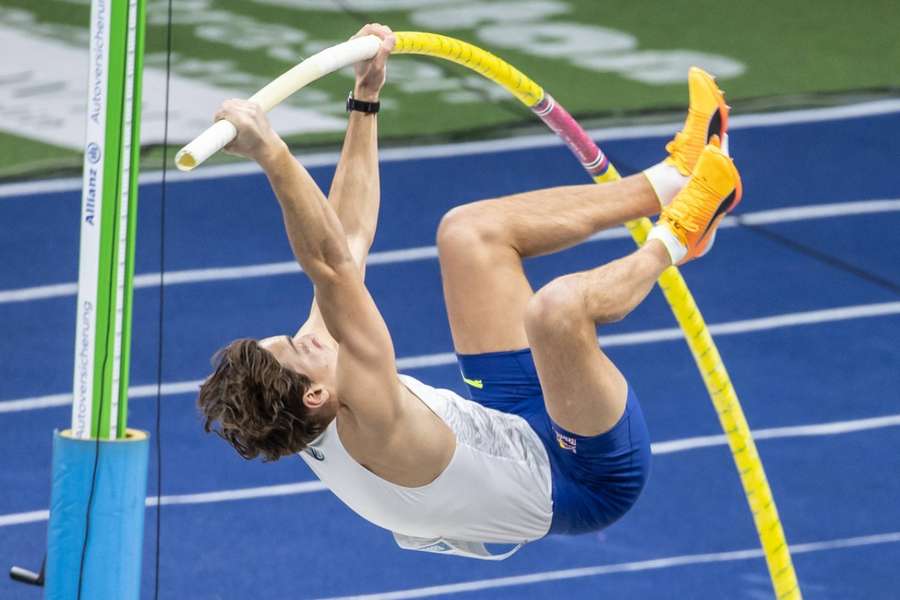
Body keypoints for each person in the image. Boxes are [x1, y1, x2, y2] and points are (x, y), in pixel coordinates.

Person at [197, 23, 741, 559]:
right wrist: (273, 153)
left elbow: (350, 239)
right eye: (297, 347)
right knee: (556, 310)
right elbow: (330, 264)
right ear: (315, 396)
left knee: (468, 234)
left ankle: (672, 178)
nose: (306, 335)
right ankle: (680, 238)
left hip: (506, 419)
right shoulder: (371, 420)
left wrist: (364, 101)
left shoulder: (310, 392)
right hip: (582, 476)